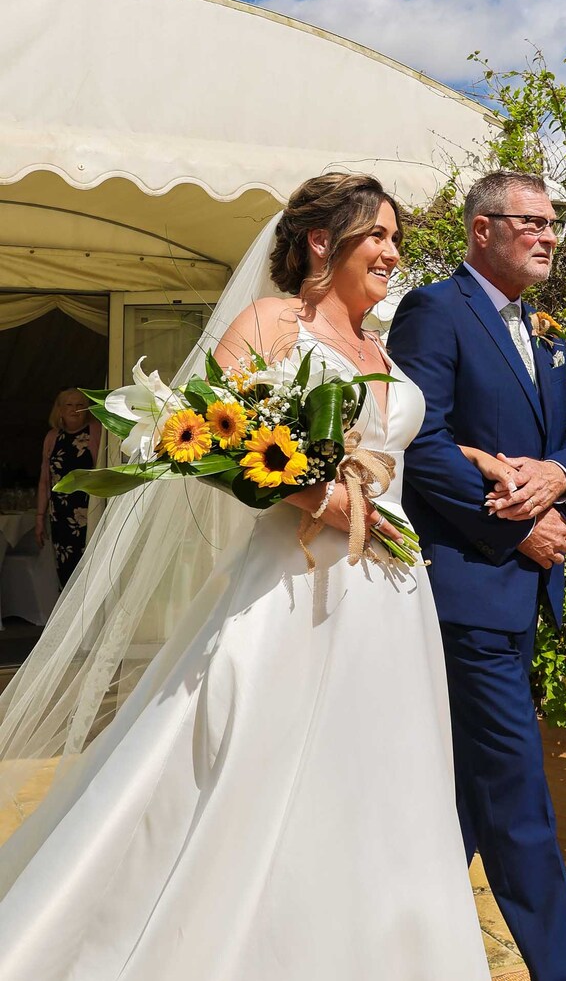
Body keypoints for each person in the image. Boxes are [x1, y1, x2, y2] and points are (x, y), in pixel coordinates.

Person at [0, 174, 491, 981]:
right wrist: (320, 494)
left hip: (391, 597)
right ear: (324, 243)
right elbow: (202, 439)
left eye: (397, 238)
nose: (395, 252)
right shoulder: (271, 322)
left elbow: (395, 446)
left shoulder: (383, 344)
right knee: (255, 759)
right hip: (294, 580)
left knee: (381, 775)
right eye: (380, 235)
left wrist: (462, 462)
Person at [388, 170, 566, 981]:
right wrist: (518, 526)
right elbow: (422, 445)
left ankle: (402, 948)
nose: (549, 234)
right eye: (533, 221)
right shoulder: (437, 311)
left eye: (554, 222)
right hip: (469, 590)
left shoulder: (543, 327)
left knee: (463, 801)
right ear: (483, 230)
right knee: (515, 799)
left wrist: (558, 477)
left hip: (520, 603)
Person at [35, 388, 101, 588]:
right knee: (65, 566)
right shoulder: (53, 437)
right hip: (60, 513)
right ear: (60, 410)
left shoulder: (95, 431)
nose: (75, 410)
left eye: (80, 405)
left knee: (90, 563)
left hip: (88, 509)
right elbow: (45, 480)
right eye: (69, 405)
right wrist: (40, 517)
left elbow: (103, 470)